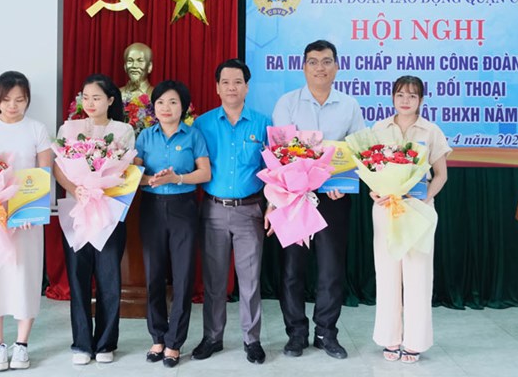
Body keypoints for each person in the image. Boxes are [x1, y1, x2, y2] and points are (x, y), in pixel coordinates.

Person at [271, 40, 365, 359]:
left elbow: (356, 151)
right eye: (313, 62)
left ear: (336, 67)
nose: (320, 68)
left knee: (330, 269)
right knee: (292, 269)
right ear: (304, 67)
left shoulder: (349, 105)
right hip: (294, 197)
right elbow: (281, 152)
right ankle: (296, 333)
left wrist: (345, 182)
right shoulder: (287, 103)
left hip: (334, 197)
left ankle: (326, 333)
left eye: (326, 61)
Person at [0, 71, 53, 372]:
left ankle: (21, 344)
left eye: (20, 99)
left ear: (28, 99)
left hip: (25, 218)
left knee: (24, 277)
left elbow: (43, 175)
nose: (13, 106)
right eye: (6, 100)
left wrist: (32, 210)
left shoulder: (37, 129)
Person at [191, 59, 271, 365]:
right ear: (217, 88)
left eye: (238, 82)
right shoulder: (203, 124)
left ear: (247, 87)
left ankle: (252, 339)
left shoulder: (263, 124)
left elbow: (273, 170)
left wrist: (272, 205)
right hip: (213, 210)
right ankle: (212, 337)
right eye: (225, 82)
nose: (231, 88)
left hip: (250, 210)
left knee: (250, 281)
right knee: (214, 281)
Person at [53, 74, 135, 365]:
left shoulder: (123, 130)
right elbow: (59, 167)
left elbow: (126, 169)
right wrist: (75, 187)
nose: (89, 103)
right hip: (77, 212)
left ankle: (105, 343)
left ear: (110, 100)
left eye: (96, 98)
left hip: (109, 213)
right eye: (85, 97)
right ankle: (81, 344)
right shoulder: (69, 128)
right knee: (78, 278)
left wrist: (100, 187)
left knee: (109, 278)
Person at [370, 75, 451, 364]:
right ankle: (390, 338)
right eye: (400, 95)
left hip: (418, 209)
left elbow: (441, 174)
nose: (406, 101)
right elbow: (370, 170)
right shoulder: (379, 129)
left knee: (418, 276)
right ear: (392, 97)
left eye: (412, 96)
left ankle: (415, 341)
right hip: (386, 209)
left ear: (421, 100)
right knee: (387, 274)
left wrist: (425, 197)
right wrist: (374, 191)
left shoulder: (431, 131)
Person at [134, 80, 211, 368]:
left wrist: (176, 178)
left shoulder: (193, 135)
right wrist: (150, 180)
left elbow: (204, 173)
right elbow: (133, 175)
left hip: (184, 208)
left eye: (173, 102)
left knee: (183, 276)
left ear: (184, 107)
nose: (166, 107)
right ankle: (157, 337)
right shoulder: (145, 136)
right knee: (153, 274)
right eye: (161, 102)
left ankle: (174, 342)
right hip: (152, 208)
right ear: (153, 107)